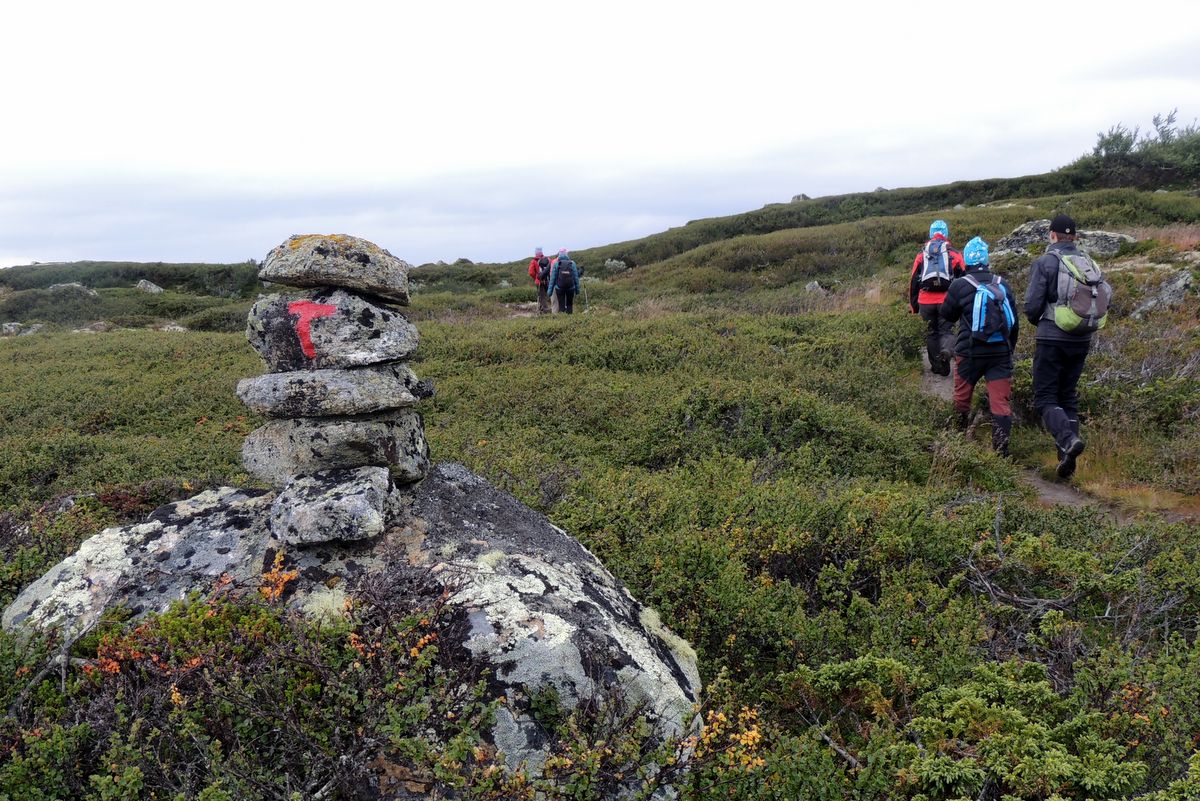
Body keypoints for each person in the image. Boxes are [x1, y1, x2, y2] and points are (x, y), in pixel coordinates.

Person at [1024, 214, 1112, 478]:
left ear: (1052, 235)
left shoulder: (1046, 262)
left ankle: (1068, 440)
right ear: (1075, 236)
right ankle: (1066, 458)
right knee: (1068, 396)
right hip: (1082, 338)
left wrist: (1041, 323)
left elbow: (1032, 306)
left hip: (1051, 337)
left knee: (1045, 398)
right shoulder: (1088, 263)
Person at [940, 236, 1019, 456]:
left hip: (969, 353)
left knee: (961, 400)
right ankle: (1001, 453)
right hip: (1000, 354)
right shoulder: (1003, 284)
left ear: (966, 260)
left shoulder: (959, 285)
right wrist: (1008, 351)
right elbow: (1014, 324)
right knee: (1000, 404)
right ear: (986, 259)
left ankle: (957, 445)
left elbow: (947, 314)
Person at [910, 219, 966, 376]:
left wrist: (914, 306)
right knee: (947, 330)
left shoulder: (921, 255)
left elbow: (913, 282)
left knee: (931, 333)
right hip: (947, 301)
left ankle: (937, 367)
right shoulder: (954, 254)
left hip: (925, 301)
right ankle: (946, 352)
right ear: (946, 233)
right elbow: (964, 278)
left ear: (930, 234)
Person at [547, 248, 579, 314]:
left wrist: (549, 291)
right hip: (571, 288)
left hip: (559, 288)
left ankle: (562, 318)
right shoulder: (572, 263)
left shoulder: (556, 264)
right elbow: (576, 277)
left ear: (559, 255)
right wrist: (577, 290)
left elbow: (552, 279)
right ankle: (570, 318)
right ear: (567, 254)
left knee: (561, 305)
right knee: (569, 304)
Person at [528, 247, 552, 314]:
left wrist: (535, 278)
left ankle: (544, 310)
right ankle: (552, 308)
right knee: (549, 295)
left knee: (541, 296)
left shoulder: (534, 261)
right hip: (548, 280)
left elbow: (531, 272)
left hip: (539, 281)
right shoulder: (548, 259)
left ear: (536, 253)